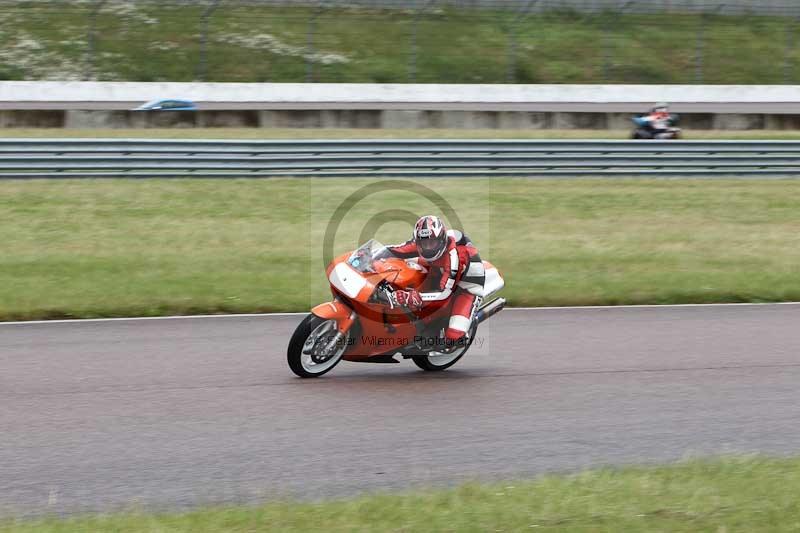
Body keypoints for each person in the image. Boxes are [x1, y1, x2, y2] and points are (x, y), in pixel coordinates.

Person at [386, 215, 485, 349]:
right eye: (423, 243)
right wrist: (368, 254)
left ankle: (463, 327)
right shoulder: (421, 243)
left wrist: (412, 297)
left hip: (466, 285)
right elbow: (396, 250)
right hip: (438, 269)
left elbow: (444, 294)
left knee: (454, 336)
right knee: (401, 268)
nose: (428, 247)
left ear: (441, 240)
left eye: (432, 243)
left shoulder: (454, 258)